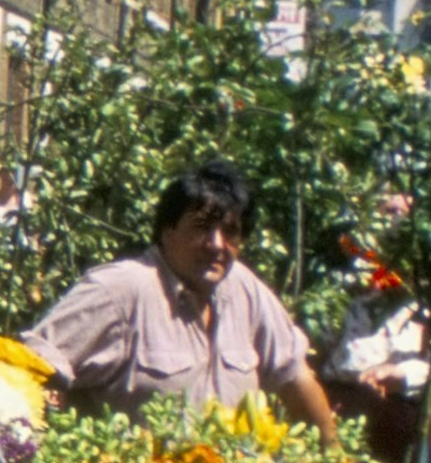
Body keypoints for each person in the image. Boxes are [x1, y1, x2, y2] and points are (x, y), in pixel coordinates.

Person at [24, 160, 341, 429]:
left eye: (229, 232)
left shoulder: (244, 289)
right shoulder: (119, 291)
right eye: (202, 227)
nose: (216, 244)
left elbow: (295, 377)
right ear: (167, 230)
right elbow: (29, 368)